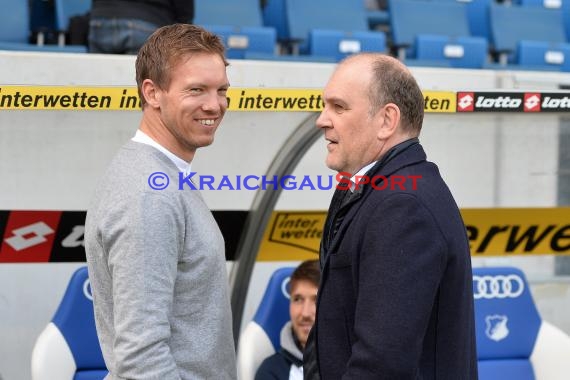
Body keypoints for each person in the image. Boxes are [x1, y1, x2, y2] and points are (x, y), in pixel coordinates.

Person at [303, 53, 478, 379]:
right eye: (325, 106)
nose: (322, 120)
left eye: (338, 107)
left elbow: (382, 365)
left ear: (386, 120)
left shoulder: (403, 206)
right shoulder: (368, 187)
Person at [84, 24, 236, 379]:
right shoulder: (149, 196)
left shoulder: (160, 177)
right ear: (152, 93)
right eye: (196, 90)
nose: (214, 105)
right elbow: (141, 357)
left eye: (222, 90)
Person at [255, 260, 321, 380]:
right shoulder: (271, 371)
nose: (305, 313)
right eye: (298, 299)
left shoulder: (354, 362)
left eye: (316, 300)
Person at [88, 0, 194, 54]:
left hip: (101, 21)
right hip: (146, 21)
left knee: (99, 83)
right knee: (139, 87)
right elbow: (184, 11)